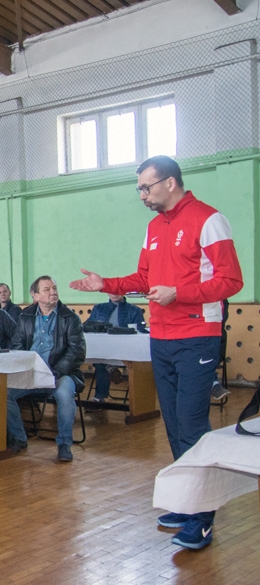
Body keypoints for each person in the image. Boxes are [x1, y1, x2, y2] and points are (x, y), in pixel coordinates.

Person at [70, 155, 243, 551]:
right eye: (139, 189)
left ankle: (202, 517)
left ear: (169, 183)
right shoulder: (153, 226)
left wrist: (179, 294)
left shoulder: (208, 219)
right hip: (161, 338)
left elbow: (231, 280)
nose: (142, 195)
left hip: (197, 335)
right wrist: (105, 283)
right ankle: (187, 502)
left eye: (146, 187)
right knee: (174, 425)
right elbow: (145, 277)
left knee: (191, 424)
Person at [6, 276, 85, 462]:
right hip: (31, 373)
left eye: (54, 288)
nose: (53, 292)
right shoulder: (25, 317)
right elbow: (17, 345)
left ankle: (64, 443)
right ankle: (19, 437)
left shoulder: (70, 318)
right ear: (35, 296)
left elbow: (77, 351)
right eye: (47, 289)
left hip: (61, 373)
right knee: (3, 393)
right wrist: (26, 367)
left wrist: (54, 371)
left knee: (65, 395)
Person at [84, 294, 146, 402]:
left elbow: (140, 330)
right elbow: (87, 326)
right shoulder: (98, 308)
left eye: (117, 291)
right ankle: (110, 368)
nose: (114, 293)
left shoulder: (135, 310)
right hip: (101, 349)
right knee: (97, 355)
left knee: (100, 360)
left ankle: (99, 396)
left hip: (125, 351)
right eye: (111, 291)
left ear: (123, 292)